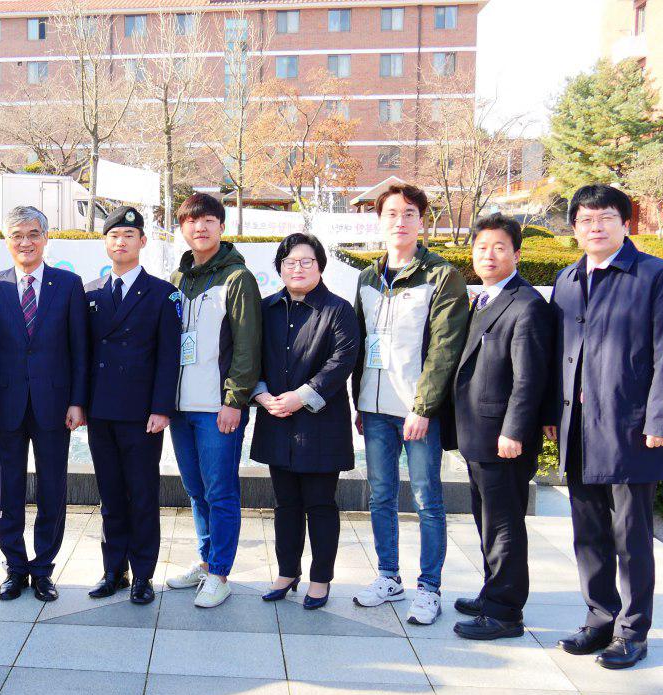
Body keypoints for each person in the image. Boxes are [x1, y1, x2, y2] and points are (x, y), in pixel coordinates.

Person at [544, 185, 663, 669]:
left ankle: (632, 631)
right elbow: (557, 353)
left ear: (626, 224)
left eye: (606, 217)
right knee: (588, 534)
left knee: (631, 537)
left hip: (630, 429)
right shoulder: (568, 279)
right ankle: (599, 619)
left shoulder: (657, 275)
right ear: (574, 229)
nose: (596, 227)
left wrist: (660, 418)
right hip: (578, 428)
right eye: (585, 220)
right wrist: (552, 412)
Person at [351, 183, 469, 625]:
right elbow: (361, 344)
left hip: (417, 410)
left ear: (422, 221)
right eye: (391, 214)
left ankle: (429, 587)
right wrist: (359, 402)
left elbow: (444, 349)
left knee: (426, 498)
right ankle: (388, 576)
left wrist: (423, 408)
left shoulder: (442, 276)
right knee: (380, 495)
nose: (399, 221)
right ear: (379, 221)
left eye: (409, 214)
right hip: (374, 408)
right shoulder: (367, 278)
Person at [440, 214, 553, 641]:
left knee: (503, 525)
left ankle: (505, 612)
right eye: (482, 247)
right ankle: (492, 593)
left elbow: (529, 379)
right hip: (478, 435)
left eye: (500, 247)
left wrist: (514, 431)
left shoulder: (526, 305)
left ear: (517, 254)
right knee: (487, 519)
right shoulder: (485, 298)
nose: (489, 255)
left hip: (502, 438)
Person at [0, 205, 88, 602]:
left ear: (46, 238)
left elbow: (80, 348)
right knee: (7, 489)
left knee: (52, 487)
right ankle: (14, 567)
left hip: (54, 405)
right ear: (7, 241)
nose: (25, 242)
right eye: (17, 235)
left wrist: (77, 401)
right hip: (6, 405)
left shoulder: (68, 284)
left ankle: (42, 569)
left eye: (33, 234)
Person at [251, 233, 359, 610]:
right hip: (276, 418)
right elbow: (250, 356)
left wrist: (301, 396)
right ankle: (286, 571)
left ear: (320, 266)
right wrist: (261, 394)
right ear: (280, 268)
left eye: (306, 261)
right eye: (289, 262)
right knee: (285, 504)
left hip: (320, 425)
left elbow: (341, 362)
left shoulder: (338, 310)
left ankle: (320, 578)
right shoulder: (266, 309)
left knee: (320, 503)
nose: (297, 268)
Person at [165, 193, 262, 609]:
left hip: (217, 407)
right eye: (191, 221)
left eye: (208, 220)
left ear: (221, 226)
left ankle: (220, 573)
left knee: (220, 491)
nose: (199, 228)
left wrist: (234, 400)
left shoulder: (237, 278)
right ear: (182, 229)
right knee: (195, 489)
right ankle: (206, 561)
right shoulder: (178, 277)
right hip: (180, 406)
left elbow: (247, 347)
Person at [83, 206, 180, 605]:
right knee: (110, 495)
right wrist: (79, 403)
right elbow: (82, 354)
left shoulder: (162, 293)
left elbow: (169, 356)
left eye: (128, 235)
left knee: (141, 495)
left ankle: (142, 574)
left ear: (143, 241)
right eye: (113, 236)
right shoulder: (90, 292)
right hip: (100, 410)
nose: (120, 242)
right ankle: (114, 570)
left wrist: (161, 408)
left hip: (141, 414)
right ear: (105, 243)